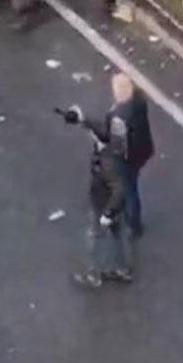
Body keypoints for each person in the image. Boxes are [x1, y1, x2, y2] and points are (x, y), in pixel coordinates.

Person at [64, 107, 134, 287]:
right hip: (116, 205)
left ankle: (92, 274)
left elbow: (118, 189)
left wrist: (108, 213)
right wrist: (81, 118)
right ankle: (122, 269)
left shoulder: (107, 162)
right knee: (118, 235)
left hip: (103, 203)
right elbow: (97, 128)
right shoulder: (117, 146)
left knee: (94, 237)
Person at [109, 74, 155, 237]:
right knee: (131, 182)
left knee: (130, 189)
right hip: (142, 151)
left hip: (127, 158)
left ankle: (134, 224)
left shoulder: (118, 117)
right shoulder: (139, 103)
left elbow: (117, 145)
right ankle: (131, 219)